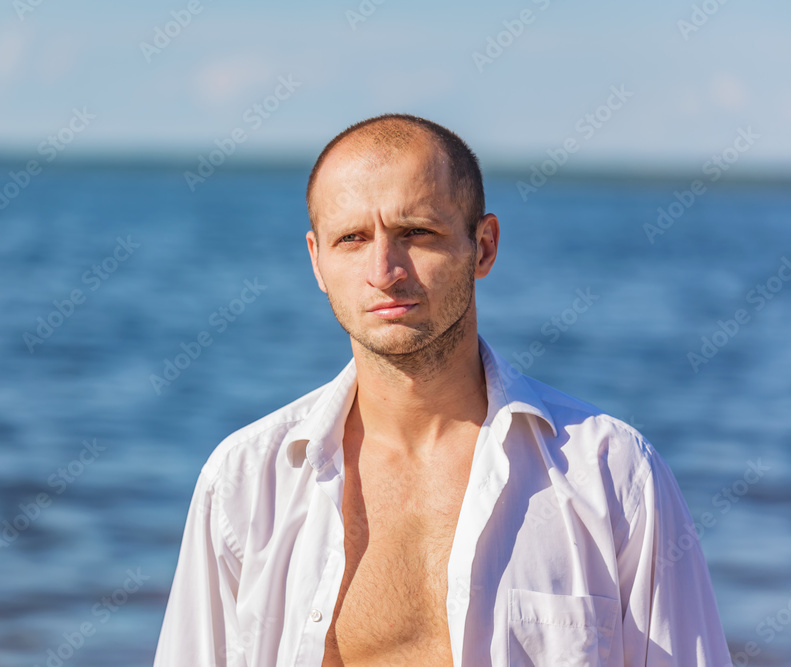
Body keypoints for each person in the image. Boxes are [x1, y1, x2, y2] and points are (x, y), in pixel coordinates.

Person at [153, 114, 733, 666]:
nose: (384, 270)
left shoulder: (611, 473)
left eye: (416, 233)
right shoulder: (247, 482)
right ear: (316, 262)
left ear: (482, 247)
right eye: (352, 238)